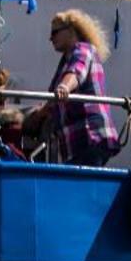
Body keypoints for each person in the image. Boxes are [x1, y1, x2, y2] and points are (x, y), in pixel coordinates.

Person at [24, 10, 119, 167]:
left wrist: (64, 87)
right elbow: (56, 101)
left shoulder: (84, 49)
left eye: (54, 32)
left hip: (90, 136)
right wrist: (39, 114)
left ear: (71, 30)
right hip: (78, 142)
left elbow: (76, 72)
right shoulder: (66, 60)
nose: (50, 38)